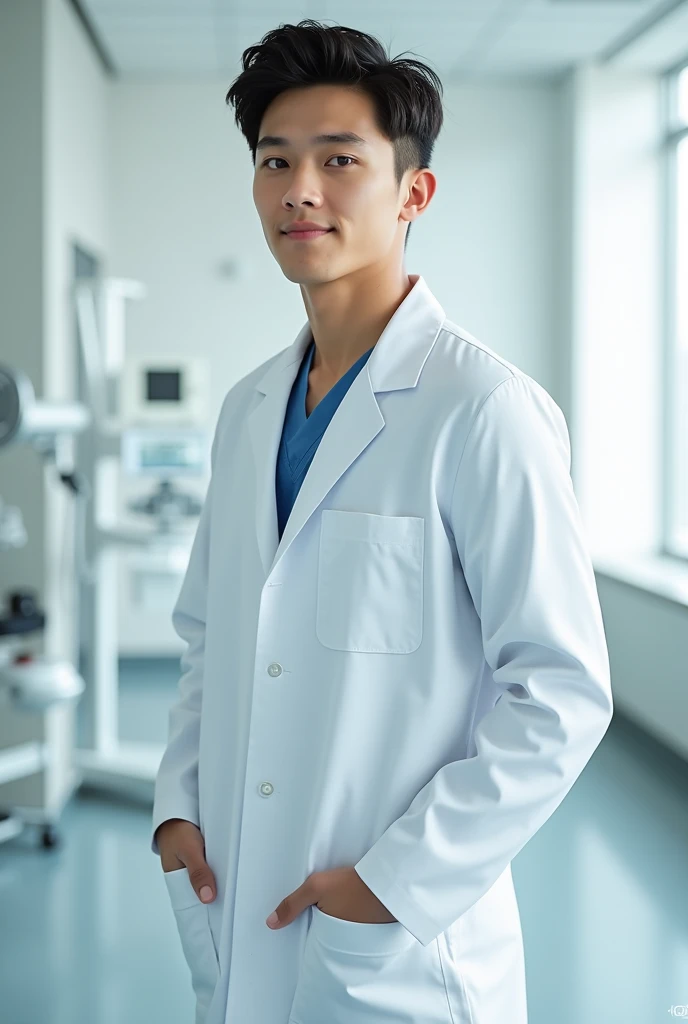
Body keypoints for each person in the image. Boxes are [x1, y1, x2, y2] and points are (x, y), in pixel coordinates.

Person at [152, 19, 613, 1024]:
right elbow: (208, 635)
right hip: (238, 894)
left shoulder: (482, 409)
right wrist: (178, 803)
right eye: (275, 160)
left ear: (413, 192)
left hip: (393, 944)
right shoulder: (246, 412)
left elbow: (561, 694)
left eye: (338, 159)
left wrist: (393, 884)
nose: (298, 189)